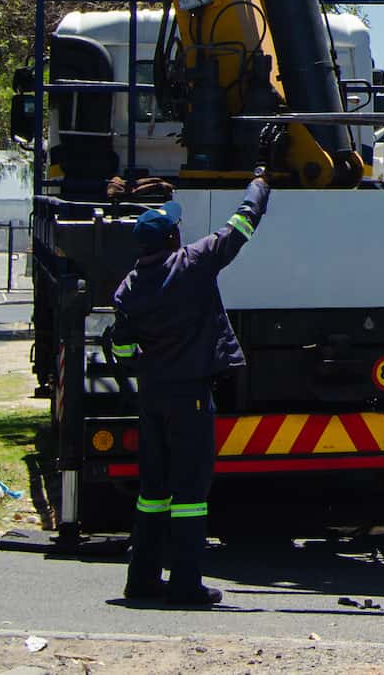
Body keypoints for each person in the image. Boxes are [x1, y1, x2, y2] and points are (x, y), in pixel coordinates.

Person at [110, 170, 271, 606]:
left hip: (152, 395)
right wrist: (260, 185)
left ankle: (141, 579)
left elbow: (122, 347)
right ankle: (184, 583)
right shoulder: (192, 263)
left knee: (153, 492)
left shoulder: (128, 289)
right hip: (190, 397)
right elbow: (241, 226)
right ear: (170, 239)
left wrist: (136, 360)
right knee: (190, 493)